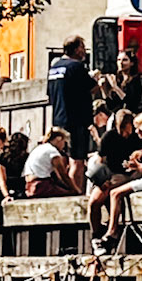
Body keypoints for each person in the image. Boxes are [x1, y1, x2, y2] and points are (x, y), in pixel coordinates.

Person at [100, 111, 142, 247]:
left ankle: (112, 230)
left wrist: (137, 166)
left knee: (114, 193)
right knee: (118, 192)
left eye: (138, 128)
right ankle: (113, 227)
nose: (136, 132)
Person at [46, 36, 92, 193]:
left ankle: (63, 191)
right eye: (83, 47)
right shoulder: (76, 66)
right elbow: (90, 88)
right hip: (76, 120)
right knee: (77, 161)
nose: (84, 51)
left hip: (58, 120)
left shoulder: (54, 68)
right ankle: (76, 193)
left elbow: (49, 95)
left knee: (62, 160)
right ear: (77, 48)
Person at [23, 126, 72, 198]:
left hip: (29, 186)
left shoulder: (39, 148)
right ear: (59, 139)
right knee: (70, 194)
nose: (64, 146)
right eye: (64, 142)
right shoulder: (52, 151)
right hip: (41, 185)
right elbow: (63, 175)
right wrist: (75, 189)